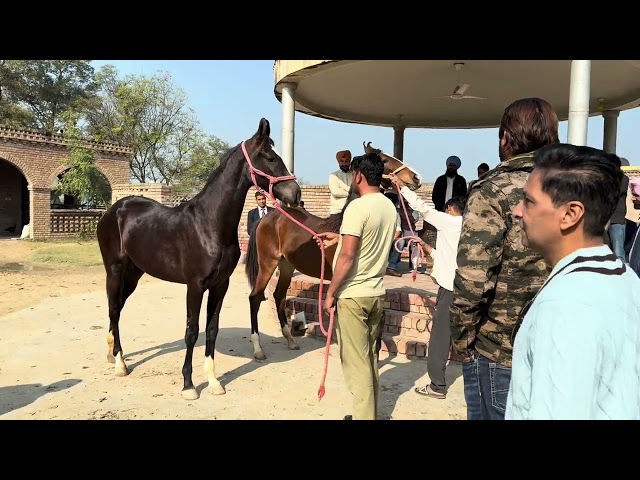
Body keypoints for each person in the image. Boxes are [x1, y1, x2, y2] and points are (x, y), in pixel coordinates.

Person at [506, 143, 640, 420]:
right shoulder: (625, 279)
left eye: (528, 201)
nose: (517, 211)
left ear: (570, 214)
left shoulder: (565, 306)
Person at [450, 97, 558, 420]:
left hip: (499, 354)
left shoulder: (492, 191)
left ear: (505, 139)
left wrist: (463, 344)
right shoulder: (574, 187)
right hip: (557, 349)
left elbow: (473, 279)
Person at [315, 152, 399, 420]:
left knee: (356, 364)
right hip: (376, 292)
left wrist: (330, 293)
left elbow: (348, 257)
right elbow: (373, 239)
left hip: (353, 295)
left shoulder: (357, 207)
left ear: (359, 175)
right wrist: (339, 237)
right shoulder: (389, 207)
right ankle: (369, 413)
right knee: (370, 360)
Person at [390, 171, 465, 399]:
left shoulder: (450, 221)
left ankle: (437, 386)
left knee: (440, 336)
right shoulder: (469, 226)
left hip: (450, 288)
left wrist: (401, 188)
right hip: (463, 285)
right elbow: (449, 256)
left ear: (451, 210)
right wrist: (426, 247)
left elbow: (423, 208)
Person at [607, 157, 630, 262]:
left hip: (616, 219)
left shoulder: (623, 179)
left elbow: (613, 193)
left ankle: (623, 275)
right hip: (607, 218)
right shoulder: (609, 179)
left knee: (618, 253)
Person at [328, 150, 353, 215]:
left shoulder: (354, 175)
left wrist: (344, 189)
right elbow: (336, 192)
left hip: (352, 210)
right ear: (338, 162)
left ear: (350, 162)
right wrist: (351, 193)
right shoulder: (334, 176)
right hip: (337, 211)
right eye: (342, 161)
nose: (344, 164)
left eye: (346, 161)